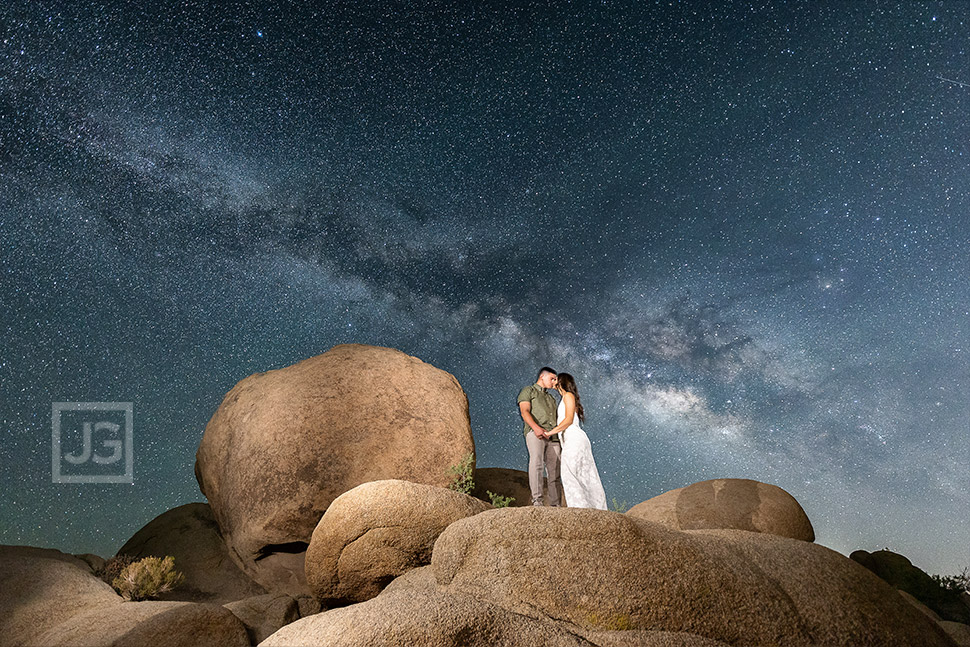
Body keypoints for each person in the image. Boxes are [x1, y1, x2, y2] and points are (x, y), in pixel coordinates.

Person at [545, 372, 608, 510]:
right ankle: (592, 508)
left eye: (556, 379)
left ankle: (581, 508)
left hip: (574, 438)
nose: (554, 382)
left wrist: (550, 432)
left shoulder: (568, 396)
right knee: (582, 474)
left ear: (561, 382)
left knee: (570, 473)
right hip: (571, 440)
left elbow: (568, 420)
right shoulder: (565, 398)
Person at [517, 367, 562, 506]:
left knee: (555, 472)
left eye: (556, 380)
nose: (554, 382)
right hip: (535, 433)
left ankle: (556, 505)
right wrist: (536, 428)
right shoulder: (528, 391)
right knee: (537, 465)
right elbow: (524, 411)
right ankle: (537, 501)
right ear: (542, 376)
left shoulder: (551, 398)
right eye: (552, 379)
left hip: (553, 436)